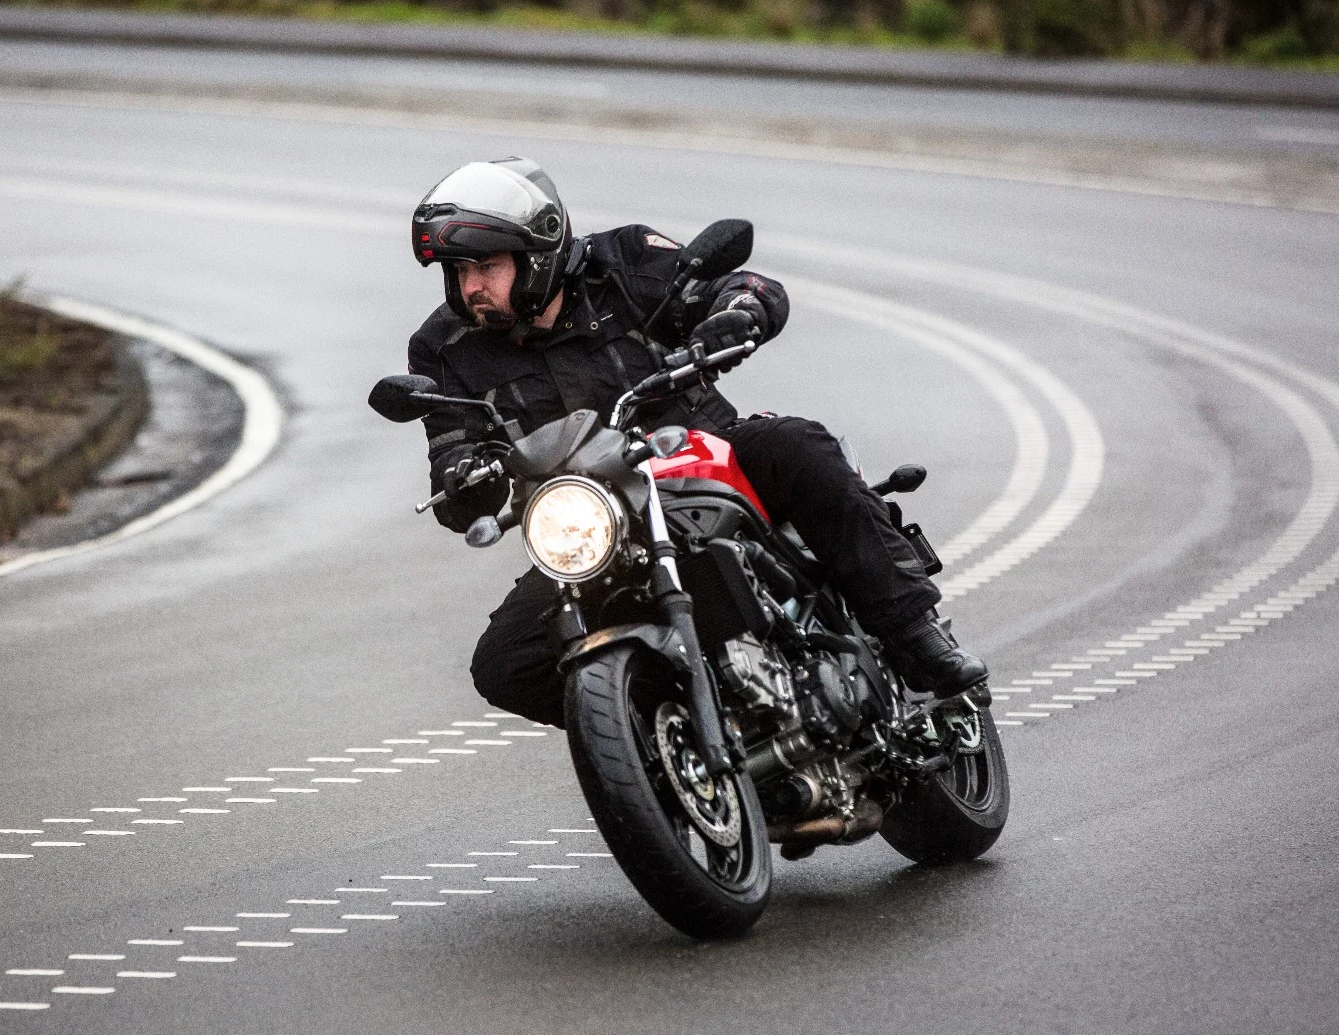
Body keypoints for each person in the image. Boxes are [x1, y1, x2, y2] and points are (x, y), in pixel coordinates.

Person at [405, 156, 985, 728]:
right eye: (457, 272)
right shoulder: (444, 348)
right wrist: (464, 478)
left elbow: (743, 286)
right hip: (596, 524)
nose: (470, 286)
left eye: (484, 266)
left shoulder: (624, 262)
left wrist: (737, 313)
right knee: (504, 663)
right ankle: (665, 734)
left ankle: (914, 635)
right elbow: (451, 455)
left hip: (705, 455)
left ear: (536, 255)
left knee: (797, 444)